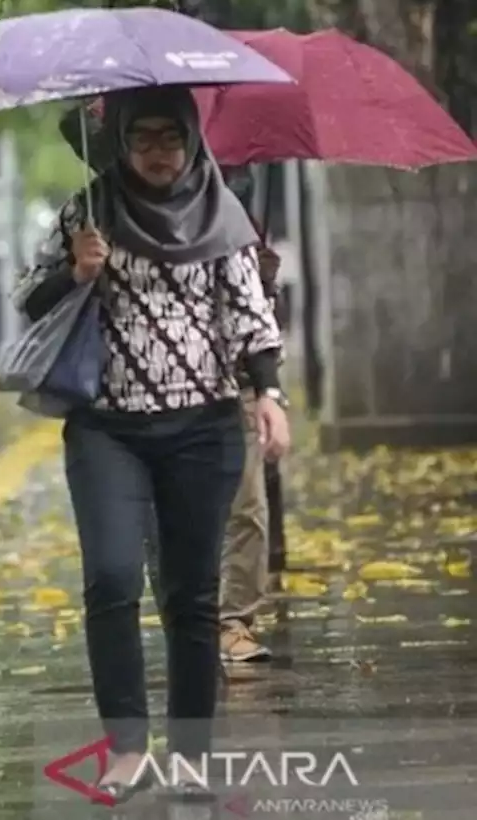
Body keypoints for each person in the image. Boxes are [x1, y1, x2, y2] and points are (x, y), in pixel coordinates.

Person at [12, 86, 290, 801]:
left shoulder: (220, 208)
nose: (159, 153)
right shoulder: (91, 208)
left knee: (191, 596)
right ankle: (128, 747)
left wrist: (269, 396)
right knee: (110, 579)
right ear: (123, 143)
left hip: (201, 427)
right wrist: (75, 270)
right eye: (144, 139)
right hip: (108, 427)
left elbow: (249, 313)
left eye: (171, 137)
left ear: (191, 140)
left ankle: (192, 752)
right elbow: (27, 298)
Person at [219, 166, 285, 664]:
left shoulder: (238, 225)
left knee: (249, 507)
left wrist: (264, 279)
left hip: (235, 384)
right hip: (160, 396)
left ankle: (234, 620)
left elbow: (260, 324)